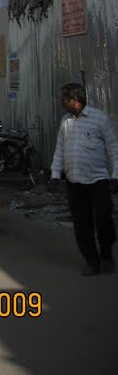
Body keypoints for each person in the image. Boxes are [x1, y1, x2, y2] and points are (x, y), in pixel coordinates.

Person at [50, 82, 118, 275]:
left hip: (99, 180)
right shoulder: (66, 121)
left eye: (64, 99)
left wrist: (116, 175)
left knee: (103, 219)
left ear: (74, 100)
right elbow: (60, 150)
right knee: (81, 225)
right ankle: (92, 262)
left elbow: (113, 148)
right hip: (74, 181)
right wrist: (55, 174)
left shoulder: (100, 119)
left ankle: (106, 254)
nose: (61, 102)